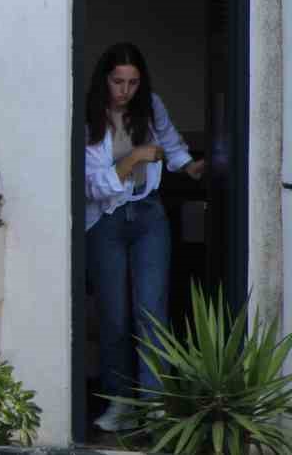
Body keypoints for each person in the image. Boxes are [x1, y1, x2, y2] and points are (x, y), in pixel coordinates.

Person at [85, 42, 205, 434]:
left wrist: (189, 166)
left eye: (133, 82)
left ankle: (154, 409)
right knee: (114, 316)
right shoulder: (89, 117)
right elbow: (96, 187)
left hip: (149, 213)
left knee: (151, 313)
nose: (125, 90)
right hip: (106, 220)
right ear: (105, 79)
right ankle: (120, 405)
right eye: (118, 81)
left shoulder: (150, 105)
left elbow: (169, 143)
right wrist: (135, 157)